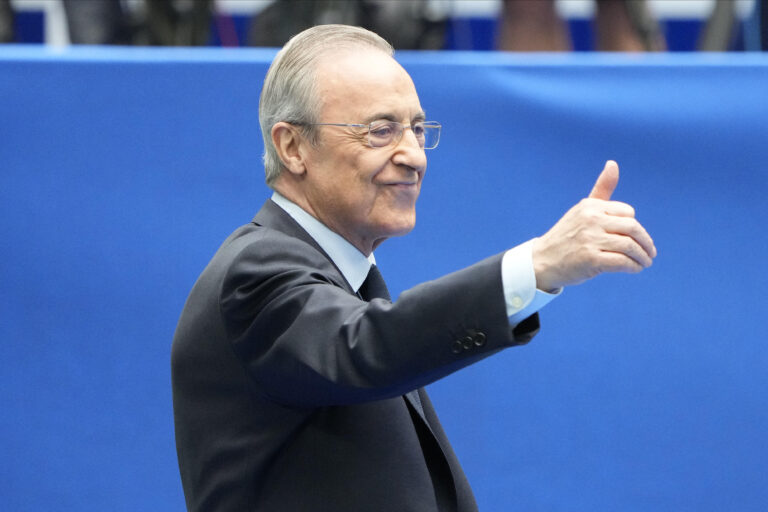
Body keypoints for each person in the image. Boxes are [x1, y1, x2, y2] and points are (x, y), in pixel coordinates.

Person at [171, 24, 656, 512]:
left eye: (418, 129)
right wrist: (537, 266)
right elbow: (367, 346)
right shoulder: (255, 271)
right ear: (293, 147)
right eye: (381, 131)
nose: (413, 155)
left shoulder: (344, 279)